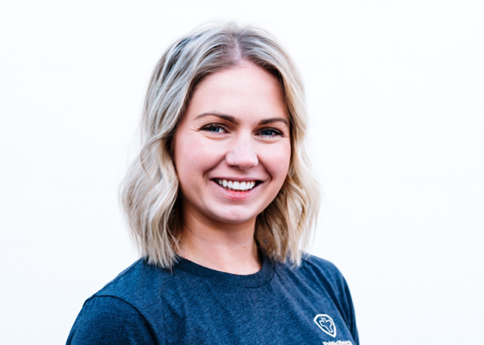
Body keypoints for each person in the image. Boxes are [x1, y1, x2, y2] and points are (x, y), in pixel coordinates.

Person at [67, 22, 359, 345]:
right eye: (217, 128)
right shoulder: (125, 318)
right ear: (168, 139)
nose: (245, 158)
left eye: (269, 131)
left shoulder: (324, 284)